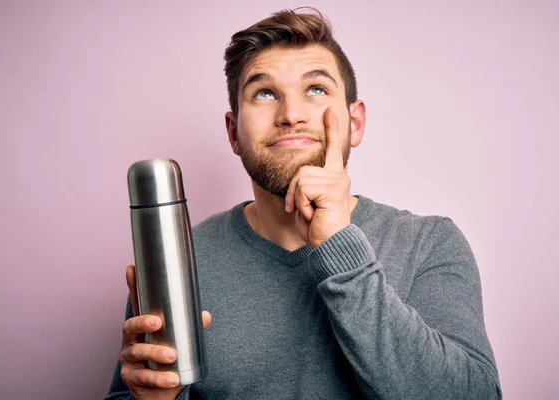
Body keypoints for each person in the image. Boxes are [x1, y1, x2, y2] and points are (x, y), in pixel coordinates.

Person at [105, 7, 502, 400]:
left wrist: (340, 248)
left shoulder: (429, 242)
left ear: (356, 123)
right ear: (233, 132)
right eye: (264, 93)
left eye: (316, 90)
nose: (291, 115)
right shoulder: (178, 263)